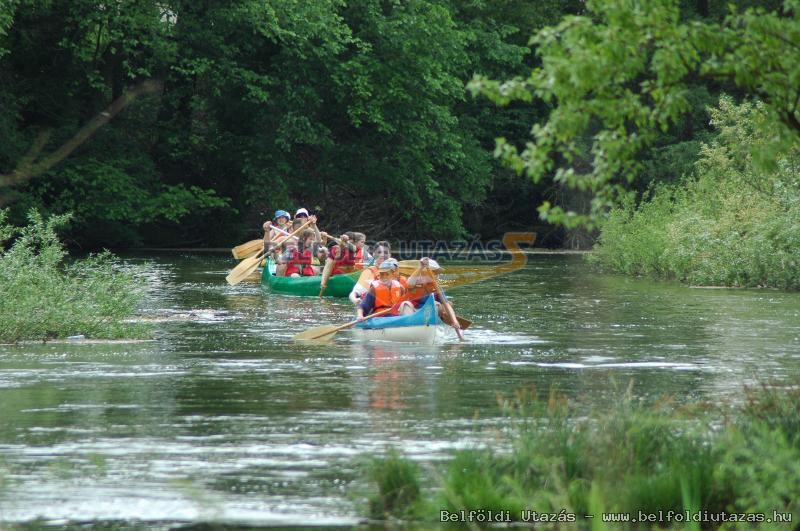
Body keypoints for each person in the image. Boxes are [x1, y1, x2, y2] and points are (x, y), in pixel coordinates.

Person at [349, 240, 391, 305]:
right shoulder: (369, 272)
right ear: (374, 254)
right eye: (379, 252)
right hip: (372, 308)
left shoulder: (395, 271)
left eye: (385, 252)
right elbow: (354, 293)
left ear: (389, 255)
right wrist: (355, 300)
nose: (382, 255)